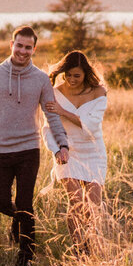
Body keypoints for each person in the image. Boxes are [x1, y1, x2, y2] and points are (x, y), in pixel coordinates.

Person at [0, 25, 69, 266]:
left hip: (28, 150)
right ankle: (21, 220)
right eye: (19, 46)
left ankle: (26, 257)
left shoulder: (41, 79)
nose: (23, 51)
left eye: (28, 47)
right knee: (2, 204)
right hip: (0, 150)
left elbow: (51, 115)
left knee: (25, 202)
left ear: (34, 49)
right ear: (11, 45)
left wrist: (62, 143)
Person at [42, 50, 108, 252]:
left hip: (93, 152)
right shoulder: (55, 92)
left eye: (76, 76)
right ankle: (79, 248)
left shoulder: (99, 92)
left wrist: (63, 112)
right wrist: (56, 150)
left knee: (92, 205)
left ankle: (89, 243)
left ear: (85, 73)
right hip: (67, 152)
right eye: (68, 75)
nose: (71, 79)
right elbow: (47, 128)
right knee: (76, 200)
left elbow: (92, 125)